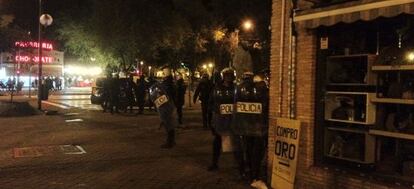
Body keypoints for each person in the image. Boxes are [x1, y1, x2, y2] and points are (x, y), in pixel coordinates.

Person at [233, 72, 269, 188]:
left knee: (248, 149)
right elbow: (265, 105)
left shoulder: (239, 89)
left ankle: (249, 170)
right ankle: (255, 174)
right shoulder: (260, 89)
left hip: (245, 127)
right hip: (258, 127)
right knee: (257, 152)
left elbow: (236, 107)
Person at [207, 68, 237, 171]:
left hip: (233, 120)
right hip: (220, 120)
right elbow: (211, 103)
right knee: (217, 141)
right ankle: (214, 163)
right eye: (227, 75)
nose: (229, 77)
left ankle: (239, 164)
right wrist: (211, 119)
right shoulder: (216, 88)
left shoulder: (236, 89)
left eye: (230, 75)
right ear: (224, 76)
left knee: (236, 142)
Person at [149, 67, 178, 149]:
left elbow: (165, 95)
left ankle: (170, 142)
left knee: (168, 123)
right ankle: (171, 141)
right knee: (169, 123)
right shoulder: (170, 83)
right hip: (169, 104)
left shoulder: (166, 84)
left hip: (166, 106)